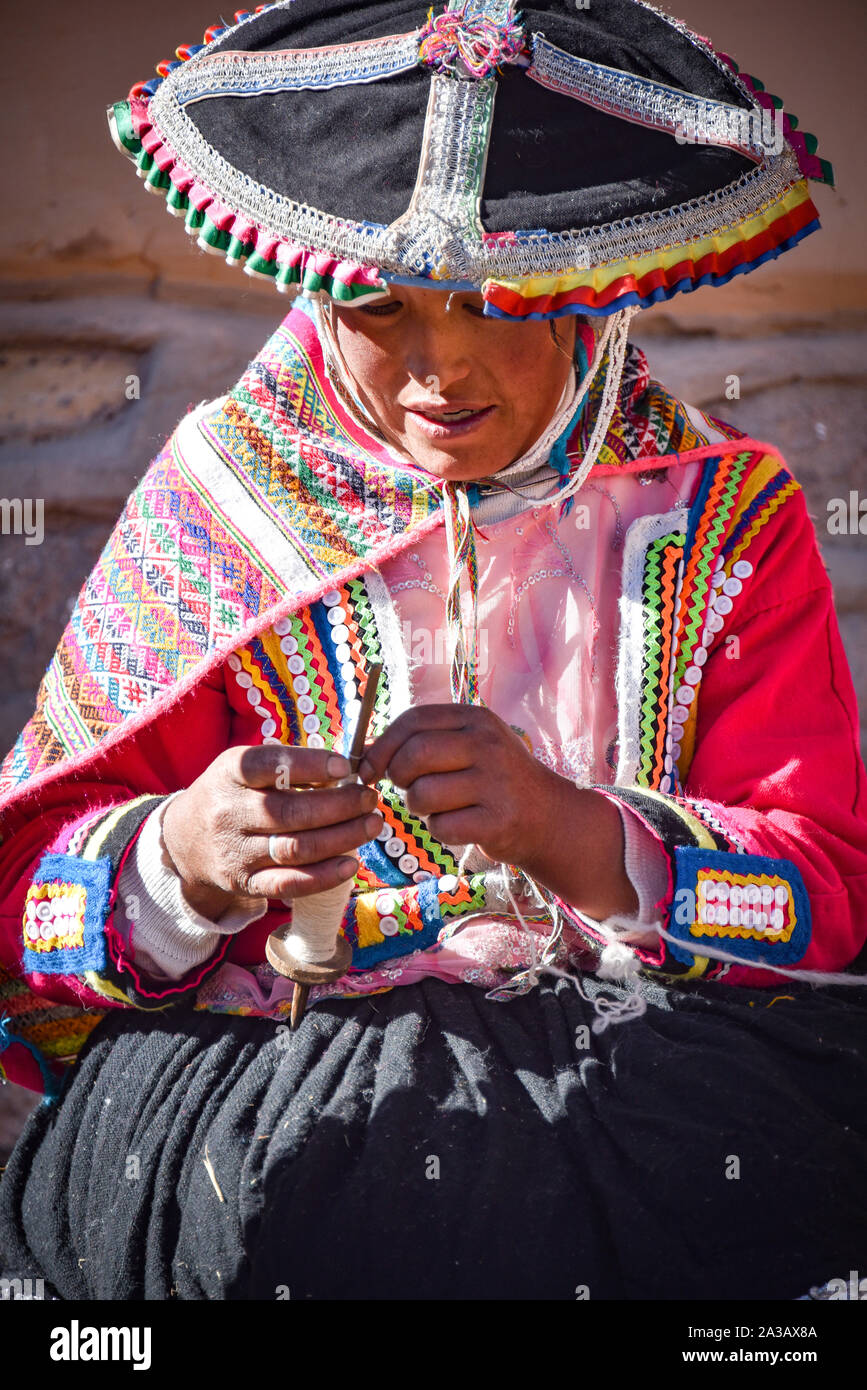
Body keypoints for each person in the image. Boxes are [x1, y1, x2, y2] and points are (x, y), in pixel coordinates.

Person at [1, 0, 866, 1301]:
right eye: (373, 301)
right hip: (276, 1079)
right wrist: (184, 857)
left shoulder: (719, 516)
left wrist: (578, 833)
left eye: (504, 303)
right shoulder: (223, 504)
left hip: (654, 1077)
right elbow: (25, 907)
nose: (439, 368)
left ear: (593, 293)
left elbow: (829, 890)